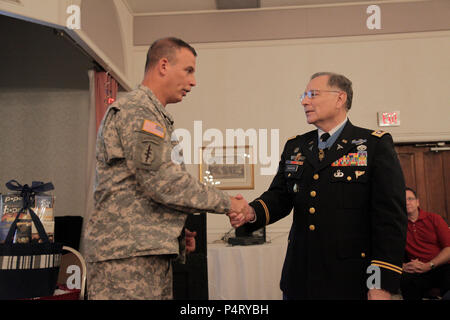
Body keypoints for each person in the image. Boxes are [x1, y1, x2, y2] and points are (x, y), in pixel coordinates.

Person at [84, 37, 248, 300]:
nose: (193, 81)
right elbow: (163, 181)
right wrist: (228, 203)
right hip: (126, 259)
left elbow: (140, 187)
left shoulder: (153, 115)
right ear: (163, 65)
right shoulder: (137, 111)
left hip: (144, 252)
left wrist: (177, 234)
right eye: (189, 70)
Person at [230, 72, 408, 300]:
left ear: (340, 98)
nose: (304, 101)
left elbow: (390, 220)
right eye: (304, 96)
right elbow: (280, 195)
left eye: (312, 94)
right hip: (300, 277)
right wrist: (251, 212)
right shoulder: (296, 146)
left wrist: (380, 283)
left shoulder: (373, 144)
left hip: (352, 279)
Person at [400, 187, 450, 300]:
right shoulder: (399, 226)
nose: (407, 202)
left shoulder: (434, 218)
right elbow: (390, 251)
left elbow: (449, 248)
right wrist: (404, 266)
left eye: (410, 199)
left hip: (441, 266)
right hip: (418, 271)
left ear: (417, 202)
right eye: (403, 200)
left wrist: (429, 265)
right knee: (406, 281)